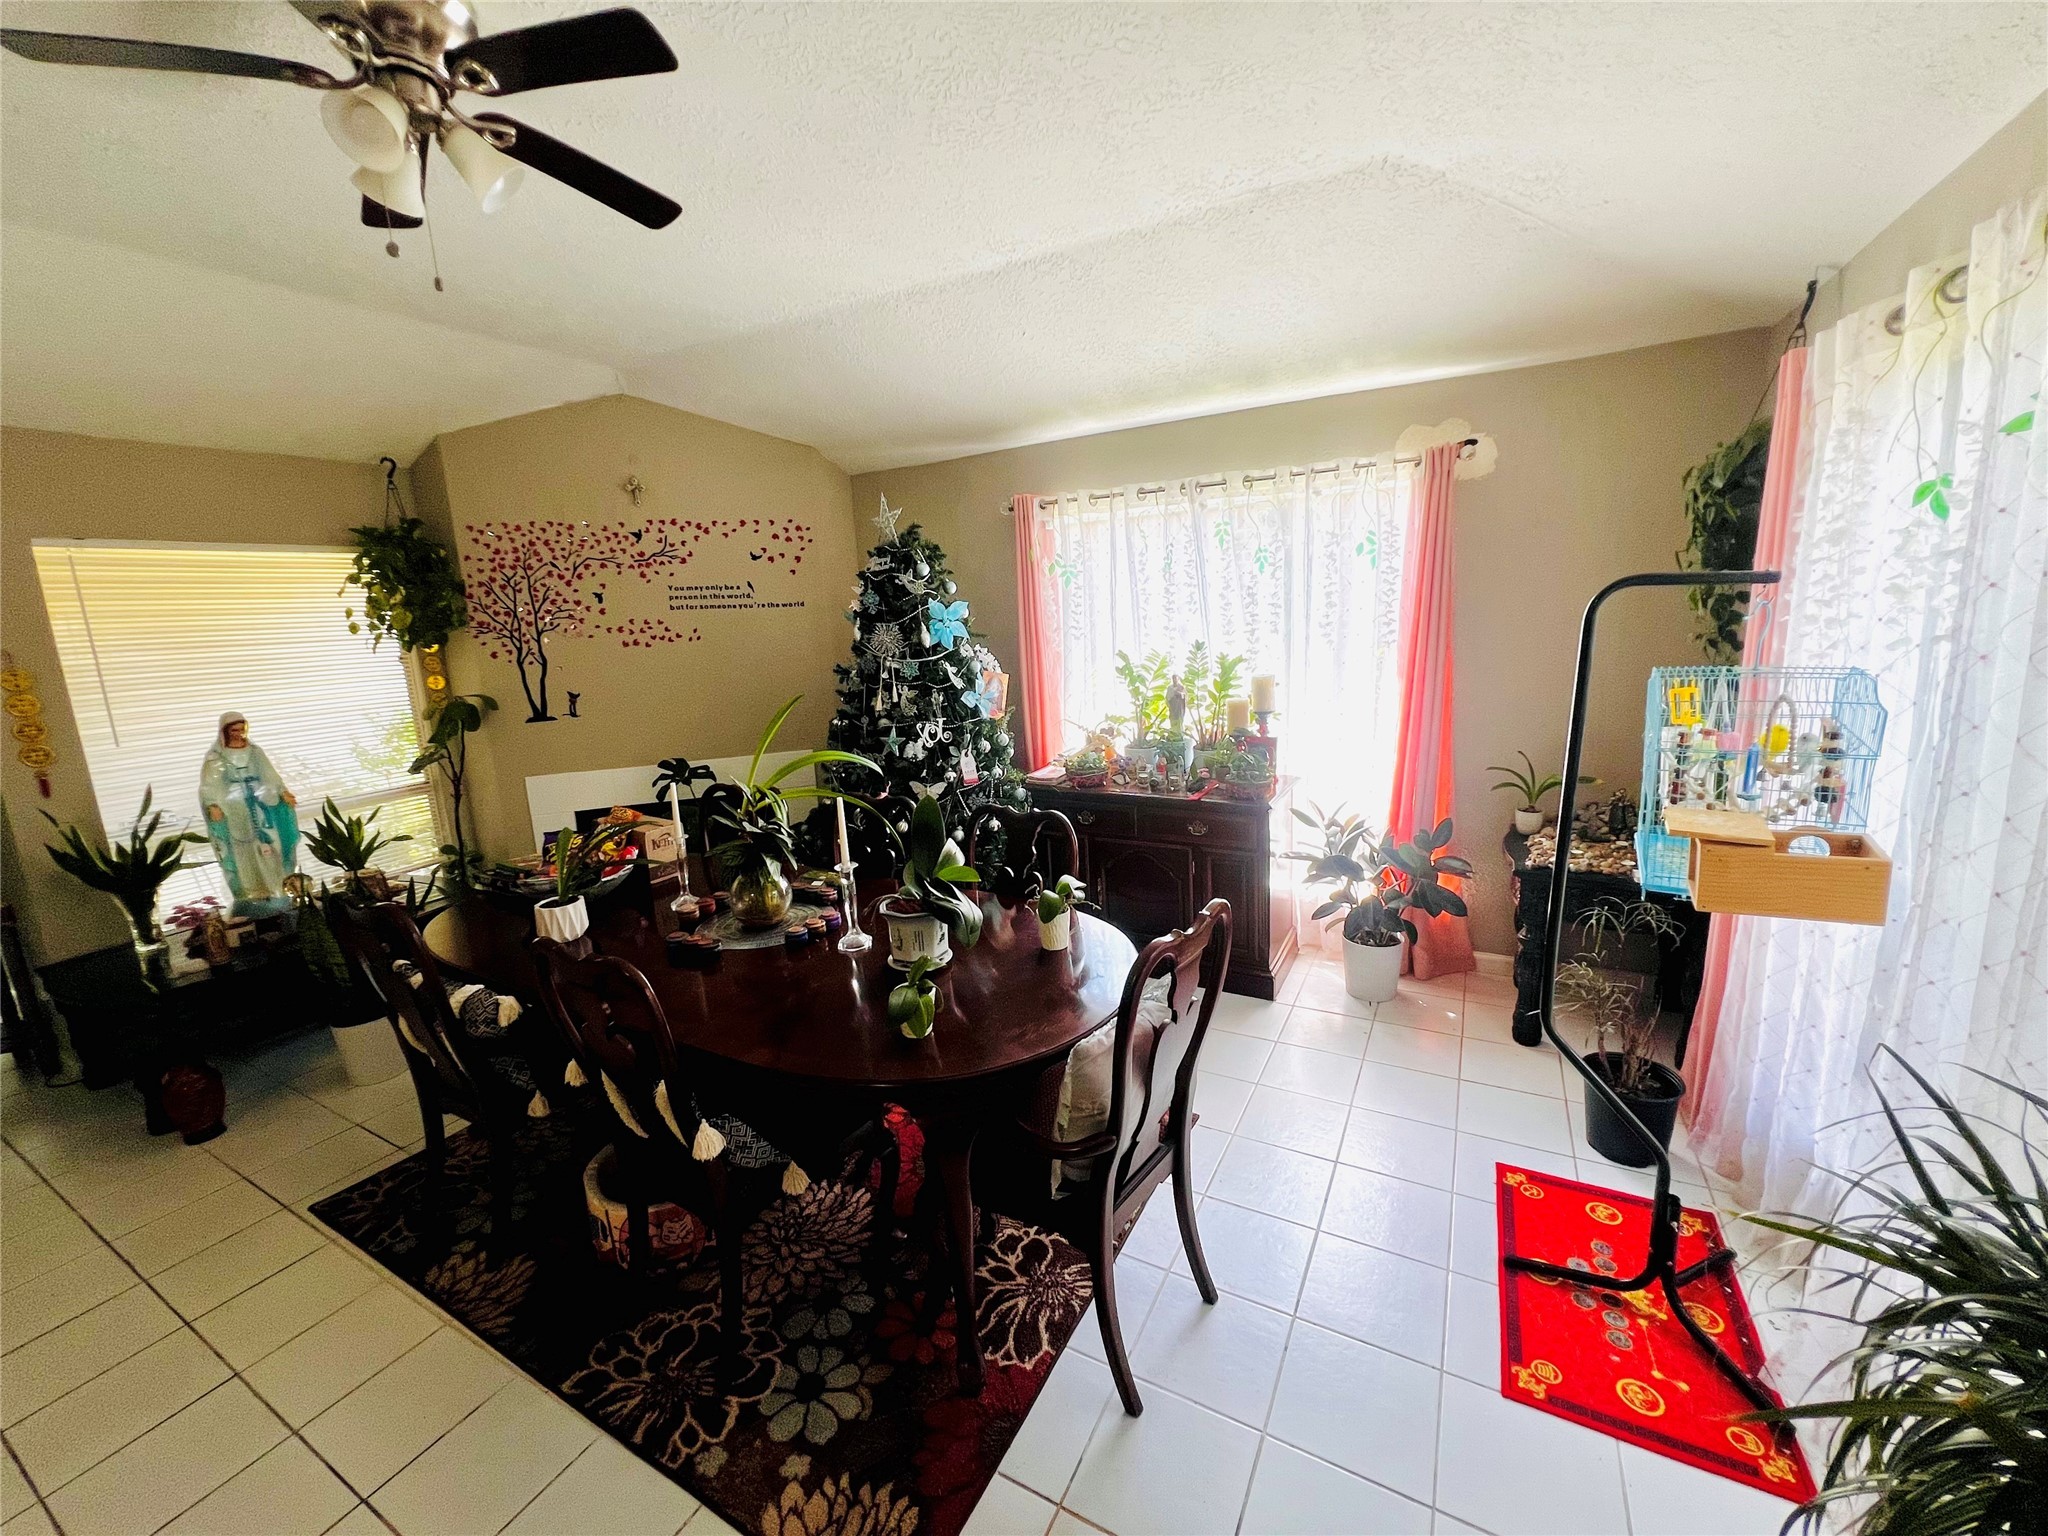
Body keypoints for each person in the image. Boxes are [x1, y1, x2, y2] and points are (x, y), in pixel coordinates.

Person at [199, 712, 299, 914]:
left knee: (272, 845)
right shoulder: (216, 757)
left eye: (241, 729)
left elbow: (270, 776)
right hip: (236, 810)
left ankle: (279, 887)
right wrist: (212, 804)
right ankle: (252, 893)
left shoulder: (255, 752)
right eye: (233, 730)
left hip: (262, 806)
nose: (238, 734)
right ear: (225, 732)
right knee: (242, 850)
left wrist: (282, 792)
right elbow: (209, 784)